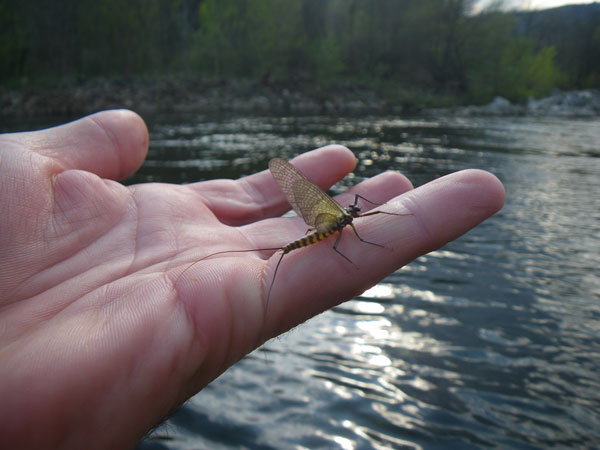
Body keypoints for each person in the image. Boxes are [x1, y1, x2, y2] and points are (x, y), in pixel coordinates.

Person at [0, 109, 505, 449]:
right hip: (308, 239)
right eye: (352, 213)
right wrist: (355, 233)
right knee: (357, 245)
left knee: (341, 243)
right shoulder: (342, 225)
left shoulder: (329, 215)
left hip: (307, 236)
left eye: (352, 214)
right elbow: (360, 235)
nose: (353, 215)